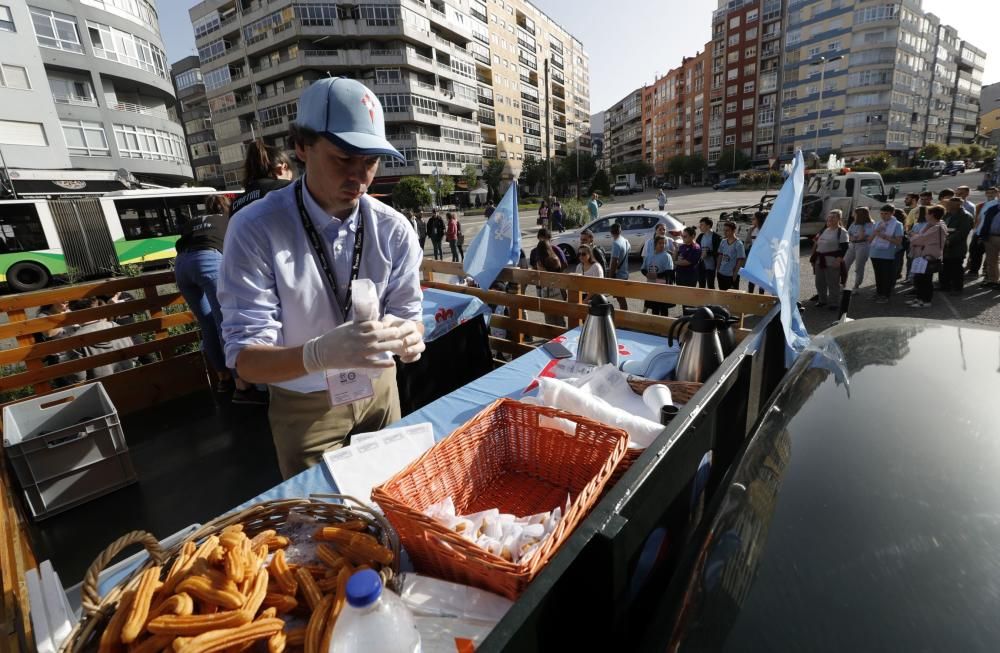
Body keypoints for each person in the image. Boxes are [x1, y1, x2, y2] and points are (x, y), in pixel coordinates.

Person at [217, 77, 425, 479]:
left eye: (370, 161)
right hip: (305, 404)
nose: (360, 177)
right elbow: (246, 361)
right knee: (323, 521)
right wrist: (316, 355)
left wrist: (410, 333)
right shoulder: (256, 228)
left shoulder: (393, 227)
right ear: (301, 147)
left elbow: (409, 311)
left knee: (395, 495)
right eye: (343, 158)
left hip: (381, 388)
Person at [175, 195, 265, 405]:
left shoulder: (193, 222)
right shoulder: (229, 219)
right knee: (225, 323)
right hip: (207, 261)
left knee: (206, 323)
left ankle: (223, 379)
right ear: (226, 208)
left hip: (181, 266)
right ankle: (242, 386)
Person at [63, 297, 137, 383]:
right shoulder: (116, 327)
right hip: (131, 381)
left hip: (103, 390)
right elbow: (134, 356)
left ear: (74, 313)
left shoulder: (75, 341)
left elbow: (78, 378)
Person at [229, 140, 295, 217]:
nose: (291, 179)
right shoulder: (287, 188)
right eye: (290, 176)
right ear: (282, 168)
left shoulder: (235, 204)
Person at [906, 205, 948, 308]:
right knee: (919, 278)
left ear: (932, 215)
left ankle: (926, 301)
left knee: (925, 280)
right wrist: (916, 235)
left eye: (927, 213)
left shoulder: (937, 227)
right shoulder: (932, 225)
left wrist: (912, 235)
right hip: (922, 256)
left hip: (928, 257)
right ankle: (919, 298)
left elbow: (919, 240)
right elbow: (920, 237)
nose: (925, 215)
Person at [811, 210, 849, 309]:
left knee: (833, 283)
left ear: (839, 219)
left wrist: (839, 260)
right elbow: (816, 243)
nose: (831, 219)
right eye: (829, 217)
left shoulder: (842, 232)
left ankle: (834, 303)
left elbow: (845, 247)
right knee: (819, 282)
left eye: (834, 217)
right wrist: (813, 258)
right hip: (820, 260)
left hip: (832, 261)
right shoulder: (824, 230)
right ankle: (822, 300)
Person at [869, 204, 904, 303]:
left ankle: (885, 296)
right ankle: (879, 293)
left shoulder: (897, 224)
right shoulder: (877, 223)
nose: (883, 216)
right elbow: (870, 240)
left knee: (886, 276)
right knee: (878, 275)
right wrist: (876, 231)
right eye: (882, 213)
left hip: (888, 254)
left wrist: (883, 236)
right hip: (875, 253)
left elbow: (898, 242)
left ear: (892, 213)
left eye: (886, 214)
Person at [940, 197, 973, 295]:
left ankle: (957, 288)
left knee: (956, 269)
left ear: (958, 205)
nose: (948, 206)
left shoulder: (965, 216)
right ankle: (945, 286)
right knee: (946, 267)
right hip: (945, 246)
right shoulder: (947, 214)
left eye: (950, 204)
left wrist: (948, 240)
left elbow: (962, 232)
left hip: (957, 247)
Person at [532, 239, 567, 327]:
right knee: (560, 318)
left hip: (545, 291)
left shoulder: (539, 262)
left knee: (549, 320)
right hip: (558, 290)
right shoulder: (555, 258)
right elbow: (560, 270)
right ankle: (562, 338)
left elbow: (539, 278)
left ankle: (551, 339)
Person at [967, 187, 997, 278]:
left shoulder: (997, 204)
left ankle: (988, 274)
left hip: (989, 233)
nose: (990, 194)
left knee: (989, 254)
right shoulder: (982, 205)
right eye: (988, 192)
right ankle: (974, 271)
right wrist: (975, 230)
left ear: (996, 194)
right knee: (974, 252)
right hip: (978, 231)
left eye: (992, 192)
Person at [641, 235, 674, 315]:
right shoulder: (649, 255)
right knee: (654, 308)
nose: (663, 245)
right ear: (655, 244)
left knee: (663, 309)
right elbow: (643, 268)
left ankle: (664, 325)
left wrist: (657, 276)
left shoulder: (667, 256)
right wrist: (646, 274)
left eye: (664, 243)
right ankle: (655, 325)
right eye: (660, 243)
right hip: (651, 285)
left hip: (662, 286)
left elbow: (669, 272)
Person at [844, 207, 874, 290]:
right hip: (852, 246)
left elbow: (861, 237)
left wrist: (860, 227)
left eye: (855, 213)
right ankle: (843, 284)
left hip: (863, 246)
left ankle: (856, 286)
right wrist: (852, 237)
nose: (853, 215)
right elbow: (847, 234)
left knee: (859, 267)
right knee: (845, 265)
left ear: (860, 215)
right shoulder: (854, 223)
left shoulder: (870, 224)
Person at [979, 189, 1000, 288]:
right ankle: (993, 281)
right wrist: (983, 236)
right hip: (991, 237)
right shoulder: (992, 208)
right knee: (992, 261)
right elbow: (985, 223)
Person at [716, 222, 745, 292]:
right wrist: (718, 269)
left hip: (731, 275)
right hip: (721, 273)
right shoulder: (723, 241)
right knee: (722, 294)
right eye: (724, 230)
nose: (725, 232)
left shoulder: (738, 244)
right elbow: (720, 255)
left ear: (733, 230)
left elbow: (740, 260)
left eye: (727, 230)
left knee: (732, 297)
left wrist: (735, 274)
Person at [609, 222, 631, 310]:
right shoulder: (625, 241)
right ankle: (624, 316)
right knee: (621, 298)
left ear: (610, 232)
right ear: (620, 231)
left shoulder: (616, 243)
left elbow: (615, 260)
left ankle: (624, 317)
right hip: (624, 273)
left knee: (620, 298)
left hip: (618, 275)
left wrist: (610, 277)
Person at [696, 217, 722, 289]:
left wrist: (707, 253)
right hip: (701, 264)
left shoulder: (716, 237)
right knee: (701, 284)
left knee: (710, 285)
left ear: (708, 226)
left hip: (711, 265)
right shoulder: (701, 236)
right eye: (700, 225)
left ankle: (711, 300)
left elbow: (719, 252)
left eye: (702, 225)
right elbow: (697, 248)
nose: (700, 227)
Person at [745, 213, 764, 294]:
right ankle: (750, 294)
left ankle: (761, 296)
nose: (752, 220)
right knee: (751, 278)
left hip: (762, 257)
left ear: (758, 220)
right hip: (753, 256)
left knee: (761, 280)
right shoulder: (752, 229)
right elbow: (747, 241)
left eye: (753, 219)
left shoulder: (765, 229)